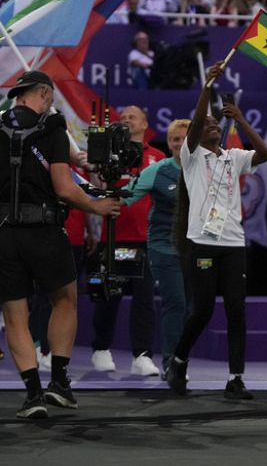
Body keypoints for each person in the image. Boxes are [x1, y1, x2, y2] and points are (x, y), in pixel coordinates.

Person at [0, 70, 122, 418]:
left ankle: (33, 395)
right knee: (64, 299)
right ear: (42, 92)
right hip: (44, 230)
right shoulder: (52, 126)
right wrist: (98, 206)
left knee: (15, 314)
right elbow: (65, 189)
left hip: (4, 234)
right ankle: (59, 384)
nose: (50, 103)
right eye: (49, 97)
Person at [166, 62, 267, 399]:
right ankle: (179, 360)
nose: (211, 125)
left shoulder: (233, 157)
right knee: (203, 310)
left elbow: (265, 154)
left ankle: (235, 378)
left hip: (233, 243)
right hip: (203, 242)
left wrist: (239, 118)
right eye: (207, 123)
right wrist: (207, 86)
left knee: (236, 310)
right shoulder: (192, 156)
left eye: (216, 123)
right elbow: (196, 123)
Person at [89, 105, 165, 377]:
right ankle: (101, 348)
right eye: (121, 119)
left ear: (145, 124)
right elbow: (96, 191)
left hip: (147, 242)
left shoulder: (157, 158)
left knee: (144, 299)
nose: (126, 121)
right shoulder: (110, 159)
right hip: (117, 241)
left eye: (131, 117)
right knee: (110, 296)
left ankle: (142, 355)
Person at [121, 119, 191, 380]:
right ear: (169, 143)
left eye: (185, 138)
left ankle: (182, 361)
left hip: (196, 250)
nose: (180, 143)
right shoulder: (158, 170)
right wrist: (91, 193)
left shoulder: (207, 169)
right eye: (175, 139)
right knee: (176, 303)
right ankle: (172, 363)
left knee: (192, 309)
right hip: (164, 248)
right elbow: (126, 197)